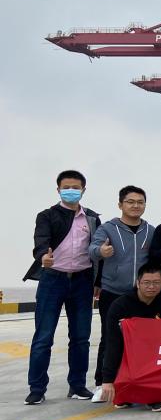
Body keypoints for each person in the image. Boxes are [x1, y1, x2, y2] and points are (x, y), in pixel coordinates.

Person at [24, 169, 101, 405]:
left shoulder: (92, 218)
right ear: (58, 190)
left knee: (81, 337)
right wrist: (43, 257)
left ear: (83, 190)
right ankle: (37, 388)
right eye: (66, 187)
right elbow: (41, 242)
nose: (71, 191)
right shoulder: (47, 215)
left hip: (82, 281)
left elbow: (97, 252)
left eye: (76, 187)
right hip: (53, 279)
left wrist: (97, 282)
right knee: (43, 337)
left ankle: (77, 385)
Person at [88, 185, 153, 399]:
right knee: (110, 337)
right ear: (120, 204)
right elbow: (92, 250)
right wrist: (101, 250)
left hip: (141, 295)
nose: (136, 206)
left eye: (140, 202)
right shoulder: (108, 229)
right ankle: (102, 383)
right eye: (130, 202)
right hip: (113, 292)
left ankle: (137, 380)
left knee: (141, 339)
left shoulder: (150, 231)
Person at [97, 262, 161, 412]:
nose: (151, 287)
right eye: (146, 282)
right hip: (128, 356)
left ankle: (155, 395)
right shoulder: (120, 306)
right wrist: (107, 380)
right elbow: (112, 344)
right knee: (123, 398)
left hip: (155, 358)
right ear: (138, 282)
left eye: (156, 283)